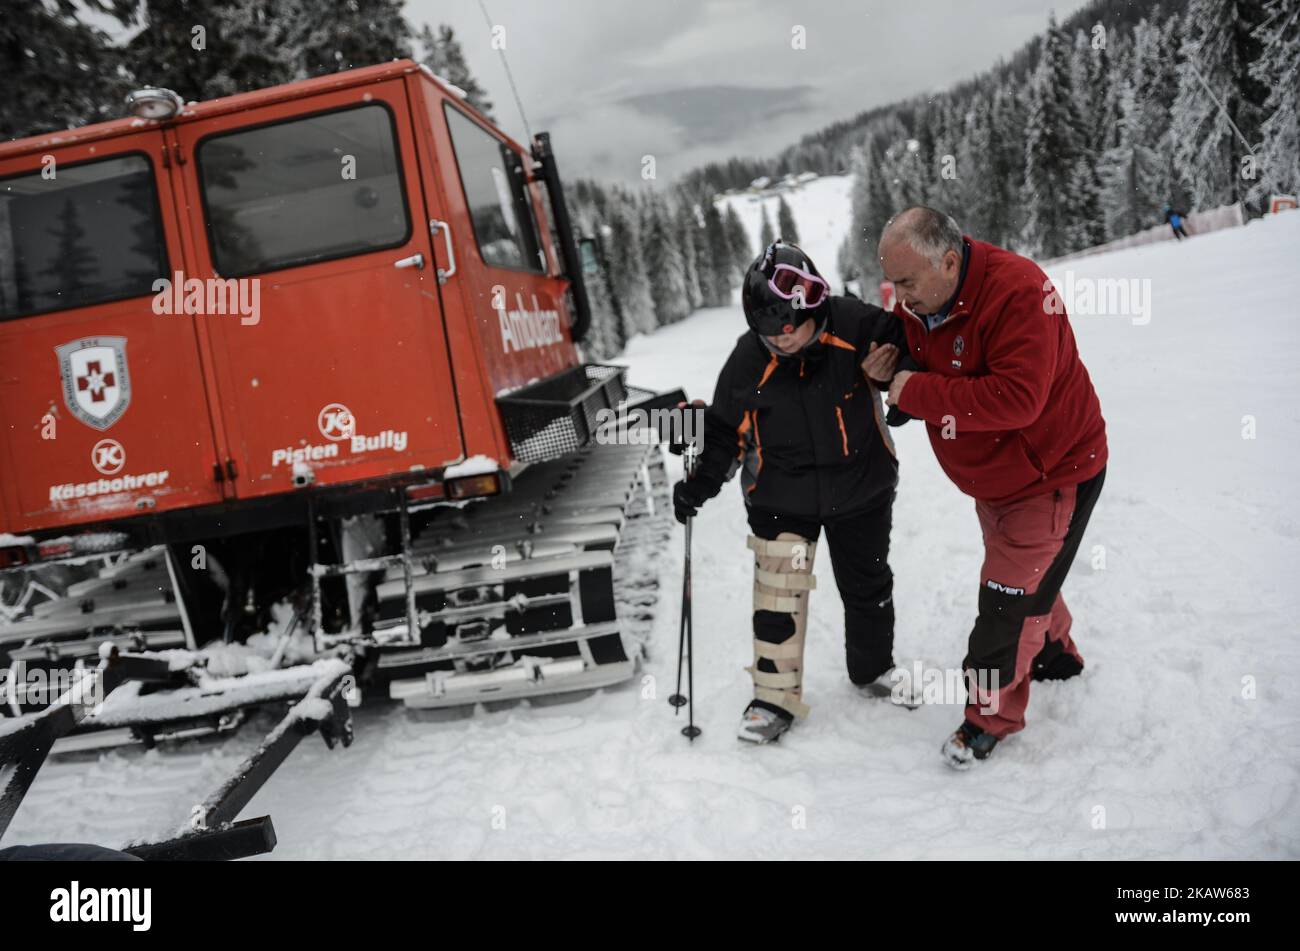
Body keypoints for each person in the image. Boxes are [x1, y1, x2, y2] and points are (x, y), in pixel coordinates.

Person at [877, 207, 1108, 769]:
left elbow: (1016, 398)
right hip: (995, 479)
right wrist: (897, 372)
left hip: (1052, 473)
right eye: (893, 283)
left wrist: (916, 392)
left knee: (1007, 605)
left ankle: (987, 719)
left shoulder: (1021, 293)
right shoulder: (924, 295)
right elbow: (930, 359)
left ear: (948, 261)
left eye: (907, 283)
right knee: (1026, 576)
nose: (900, 298)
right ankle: (1056, 655)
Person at [673, 240, 915, 744]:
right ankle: (773, 699)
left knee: (868, 585)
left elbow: (914, 354)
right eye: (770, 335)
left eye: (792, 331)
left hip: (861, 487)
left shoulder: (856, 326)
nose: (782, 343)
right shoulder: (747, 360)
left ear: (815, 307)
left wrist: (890, 375)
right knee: (779, 597)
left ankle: (873, 669)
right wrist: (698, 486)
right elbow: (722, 432)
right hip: (780, 497)